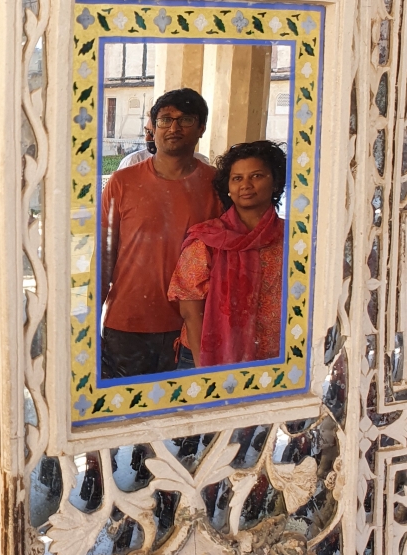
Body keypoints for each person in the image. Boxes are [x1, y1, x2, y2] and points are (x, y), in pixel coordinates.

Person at [100, 88, 223, 378]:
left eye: (186, 120)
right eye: (165, 119)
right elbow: (105, 254)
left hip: (192, 325)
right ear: (153, 129)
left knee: (183, 415)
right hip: (128, 322)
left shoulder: (216, 185)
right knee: (125, 414)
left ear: (202, 128)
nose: (174, 128)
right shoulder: (123, 181)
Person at [168, 140, 287, 368]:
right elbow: (191, 312)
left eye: (257, 176)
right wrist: (208, 372)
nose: (246, 185)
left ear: (275, 183)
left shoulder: (294, 239)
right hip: (204, 358)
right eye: (237, 178)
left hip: (273, 360)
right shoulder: (208, 239)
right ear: (229, 189)